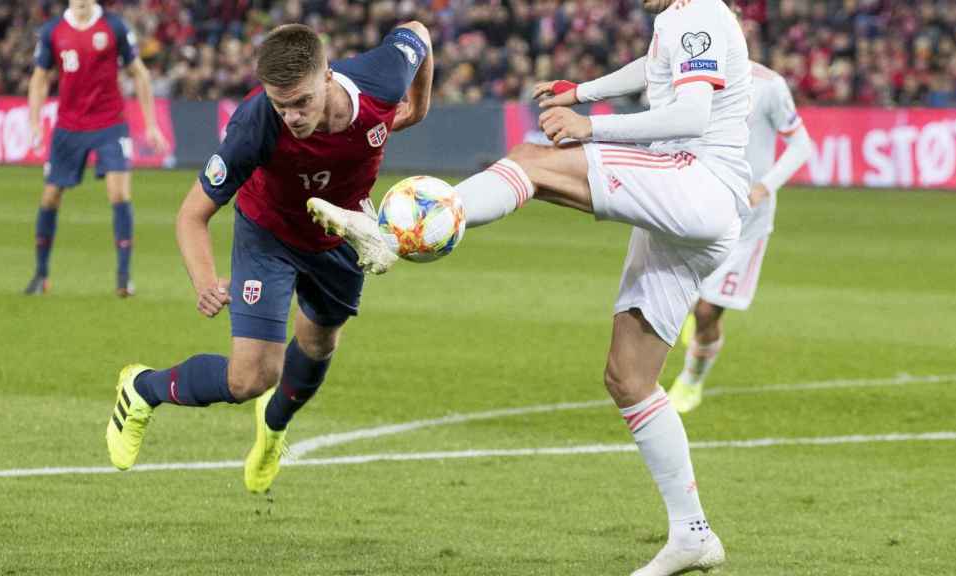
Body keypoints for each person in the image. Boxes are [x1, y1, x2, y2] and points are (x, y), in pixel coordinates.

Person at [315, 1, 746, 573]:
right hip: (693, 211)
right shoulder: (681, 19)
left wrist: (593, 125)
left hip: (698, 180)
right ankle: (693, 533)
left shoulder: (700, 14)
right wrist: (584, 91)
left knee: (533, 162)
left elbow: (692, 114)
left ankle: (395, 235)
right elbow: (654, 69)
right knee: (629, 377)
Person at [105, 22, 433, 494]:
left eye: (301, 102)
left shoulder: (380, 80)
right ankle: (142, 389)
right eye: (282, 105)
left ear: (326, 77)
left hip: (340, 234)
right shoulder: (254, 124)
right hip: (268, 235)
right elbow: (191, 216)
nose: (293, 116)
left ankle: (274, 429)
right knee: (250, 378)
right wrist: (205, 281)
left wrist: (418, 108)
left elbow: (417, 33)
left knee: (319, 344)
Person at [668, 61, 812, 413]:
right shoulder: (690, 79)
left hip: (747, 223)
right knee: (683, 297)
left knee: (706, 313)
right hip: (698, 211)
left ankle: (691, 379)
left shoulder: (768, 86)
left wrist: (765, 186)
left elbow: (801, 146)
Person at [25, 0, 168, 297]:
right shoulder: (53, 30)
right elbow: (40, 78)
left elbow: (139, 73)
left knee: (118, 193)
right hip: (68, 126)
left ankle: (124, 277)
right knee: (50, 197)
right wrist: (35, 122)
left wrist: (152, 125)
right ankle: (40, 274)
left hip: (109, 123)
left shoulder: (114, 26)